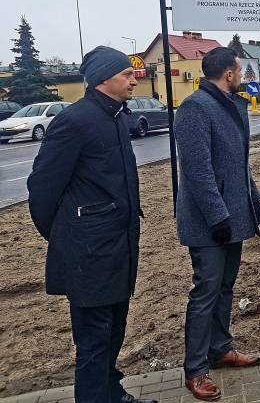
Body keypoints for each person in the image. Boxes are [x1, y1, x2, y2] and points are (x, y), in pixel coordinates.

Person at [28, 46, 155, 403]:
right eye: (126, 74)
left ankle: (112, 394)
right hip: (90, 252)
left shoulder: (116, 117)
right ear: (102, 78)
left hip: (119, 246)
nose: (134, 80)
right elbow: (42, 188)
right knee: (94, 340)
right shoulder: (75, 121)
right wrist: (68, 234)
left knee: (114, 330)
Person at [174, 47, 260, 401]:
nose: (242, 75)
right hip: (209, 222)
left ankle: (220, 349)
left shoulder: (230, 105)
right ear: (228, 74)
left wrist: (254, 199)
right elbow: (198, 171)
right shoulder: (195, 108)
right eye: (239, 70)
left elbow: (239, 162)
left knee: (225, 286)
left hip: (234, 215)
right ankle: (196, 370)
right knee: (206, 292)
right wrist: (217, 216)